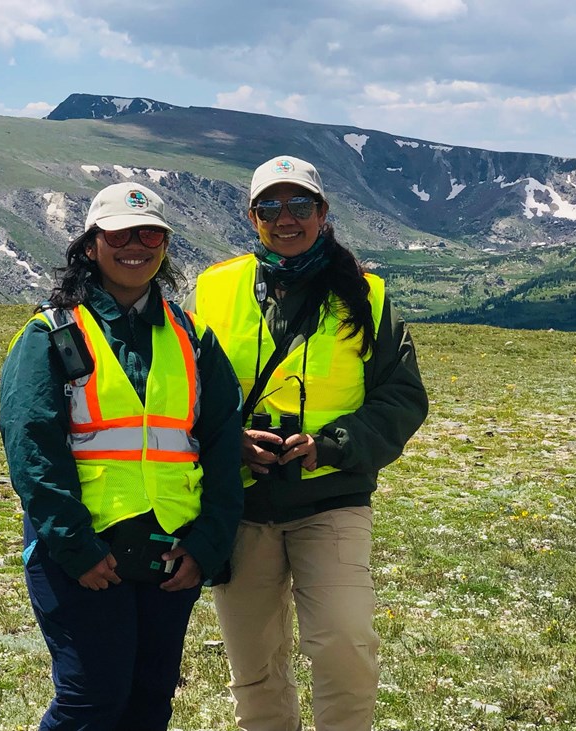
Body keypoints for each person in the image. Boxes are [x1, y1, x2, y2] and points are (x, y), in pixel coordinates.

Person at [190, 155, 428, 731]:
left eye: (300, 205)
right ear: (252, 217)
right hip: (241, 504)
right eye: (270, 206)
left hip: (332, 498)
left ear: (322, 213)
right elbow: (186, 391)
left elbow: (402, 396)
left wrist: (332, 443)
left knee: (346, 646)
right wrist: (230, 443)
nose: (286, 218)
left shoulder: (366, 296)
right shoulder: (213, 289)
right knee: (254, 663)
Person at [0, 182, 244, 731]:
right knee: (92, 700)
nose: (136, 245)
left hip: (169, 551)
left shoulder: (193, 337)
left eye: (151, 233)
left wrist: (207, 546)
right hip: (84, 553)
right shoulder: (51, 334)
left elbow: (225, 447)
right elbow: (32, 450)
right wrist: (75, 548)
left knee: (149, 698)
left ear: (165, 245)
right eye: (119, 234)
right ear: (91, 245)